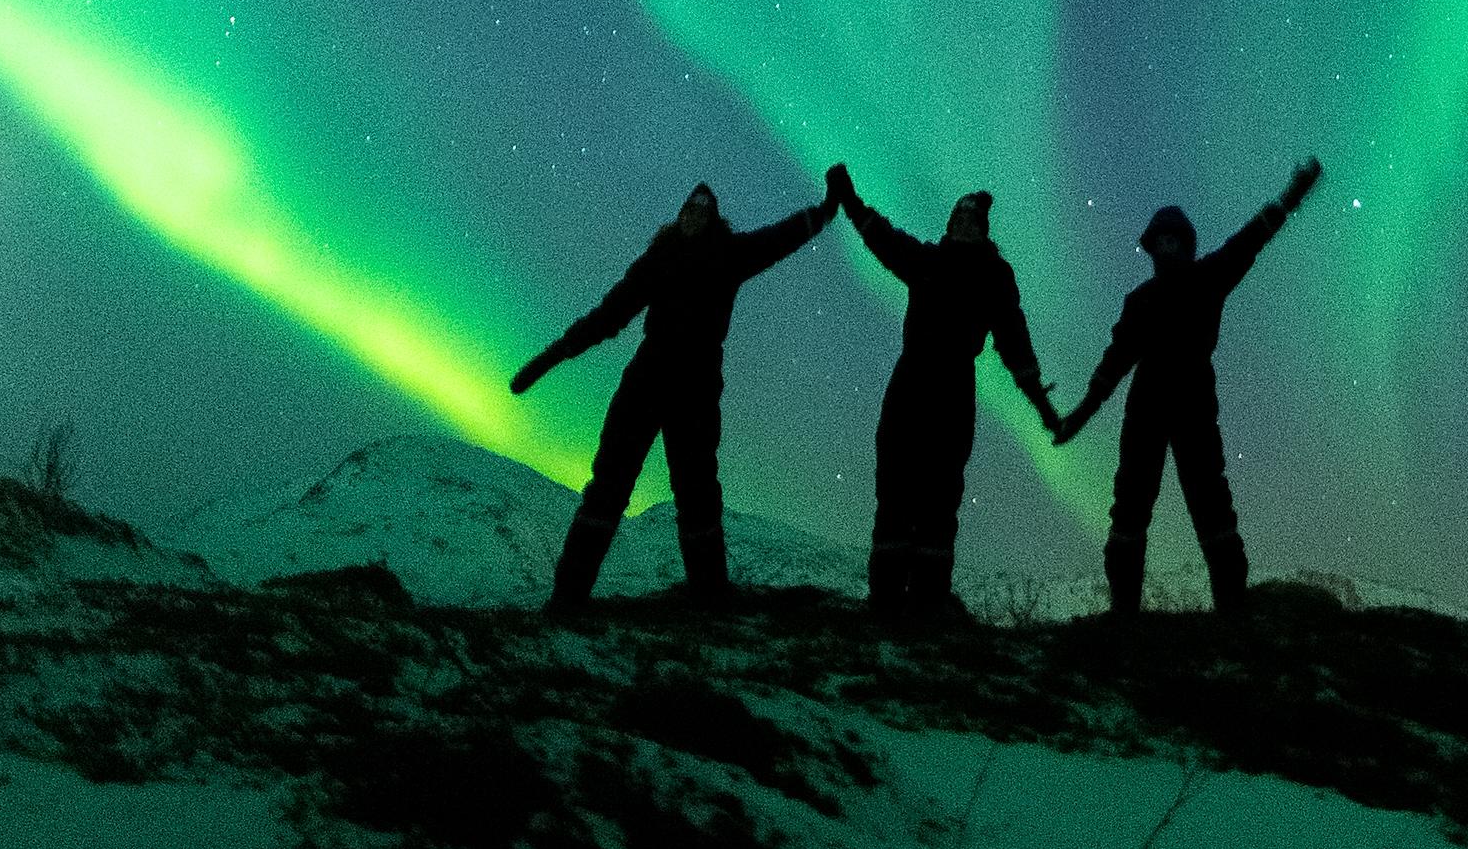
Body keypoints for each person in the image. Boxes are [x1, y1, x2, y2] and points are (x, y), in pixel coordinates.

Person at [511, 170, 842, 610]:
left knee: (697, 491)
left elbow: (779, 238)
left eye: (703, 209)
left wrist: (825, 210)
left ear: (713, 218)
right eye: (689, 207)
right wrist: (553, 356)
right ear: (680, 214)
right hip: (646, 381)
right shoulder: (659, 259)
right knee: (609, 484)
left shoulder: (730, 254)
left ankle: (710, 596)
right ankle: (568, 598)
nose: (694, 214)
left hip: (696, 389)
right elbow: (610, 314)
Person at [1054, 156, 1322, 616]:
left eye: (1173, 239)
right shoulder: (1142, 300)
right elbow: (1114, 364)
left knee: (1210, 503)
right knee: (1132, 505)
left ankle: (1230, 611)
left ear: (1186, 243)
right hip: (1148, 412)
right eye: (1160, 240)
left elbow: (1252, 238)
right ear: (1153, 247)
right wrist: (1078, 416)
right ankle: (1126, 613)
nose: (1167, 246)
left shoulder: (1207, 278)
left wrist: (1292, 194)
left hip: (1193, 408)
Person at [833, 167, 1062, 620]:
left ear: (983, 230)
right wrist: (850, 200)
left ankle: (928, 600)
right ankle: (886, 598)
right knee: (894, 489)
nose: (963, 225)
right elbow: (883, 239)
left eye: (971, 220)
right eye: (958, 218)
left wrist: (1040, 403)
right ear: (950, 223)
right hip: (910, 385)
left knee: (939, 497)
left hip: (953, 391)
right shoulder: (928, 261)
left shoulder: (994, 277)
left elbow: (1014, 339)